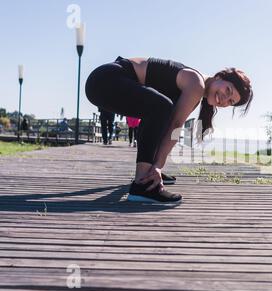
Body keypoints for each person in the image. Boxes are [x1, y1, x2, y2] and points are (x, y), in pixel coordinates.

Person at [85, 56, 253, 205]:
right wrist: (158, 165)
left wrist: (156, 165)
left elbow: (167, 125)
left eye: (230, 101)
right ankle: (143, 185)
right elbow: (176, 125)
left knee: (160, 111)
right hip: (106, 80)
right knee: (161, 107)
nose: (225, 99)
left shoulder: (197, 87)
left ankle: (147, 174)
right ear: (219, 77)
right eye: (228, 90)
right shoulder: (196, 83)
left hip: (103, 82)